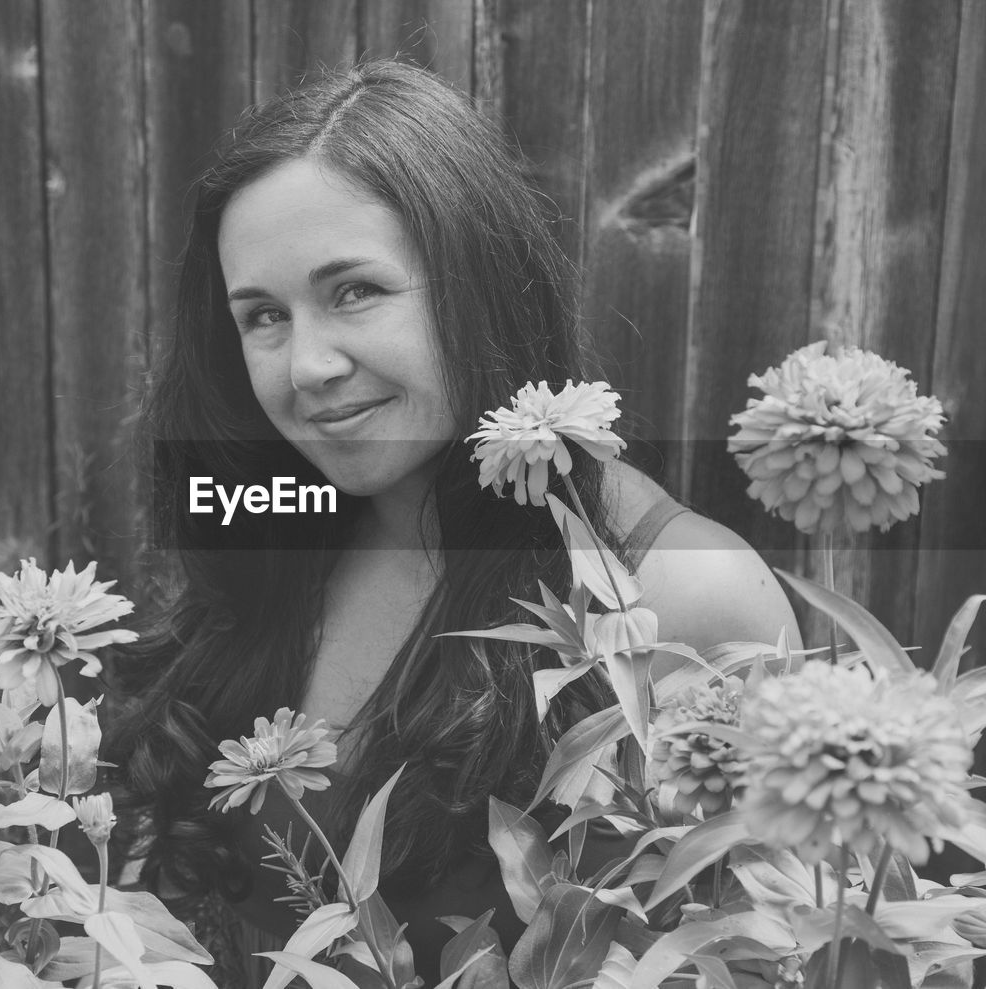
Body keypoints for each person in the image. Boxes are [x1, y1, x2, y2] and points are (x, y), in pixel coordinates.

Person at [106, 58, 801, 984]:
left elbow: (768, 951)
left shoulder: (682, 589)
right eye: (264, 315)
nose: (307, 363)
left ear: (481, 283)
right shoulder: (276, 535)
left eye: (355, 290)